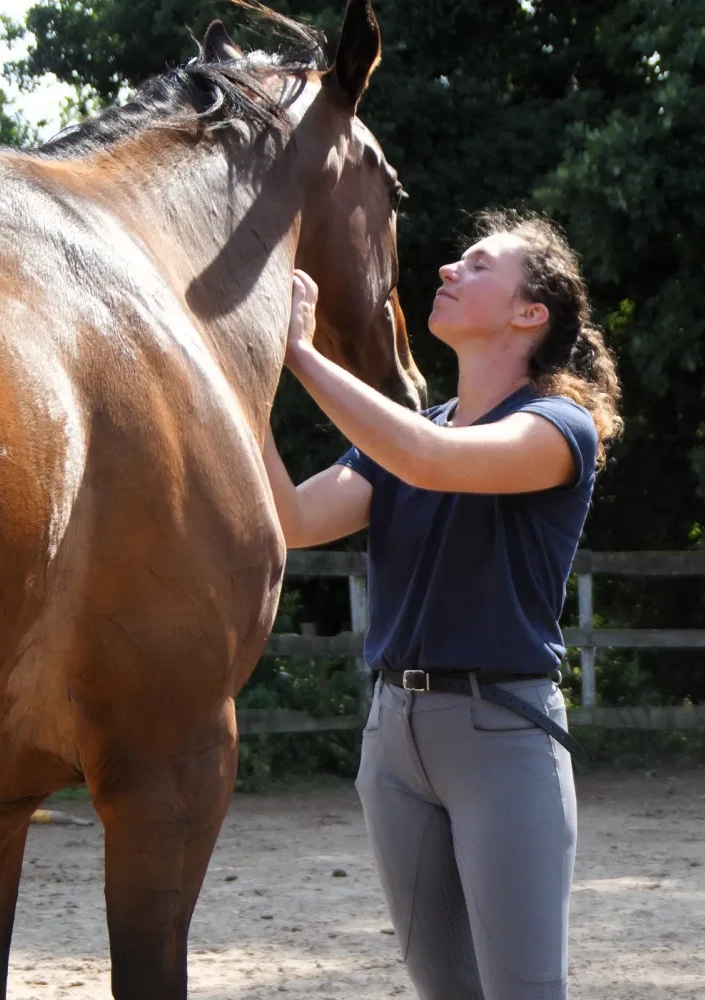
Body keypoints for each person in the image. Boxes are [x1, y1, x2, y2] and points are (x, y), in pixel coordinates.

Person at [261, 209, 622, 1000]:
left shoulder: (559, 428)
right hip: (392, 739)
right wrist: (240, 367)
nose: (446, 271)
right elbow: (293, 519)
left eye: (477, 264)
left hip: (499, 733)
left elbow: (431, 462)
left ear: (532, 313)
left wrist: (296, 352)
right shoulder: (408, 434)